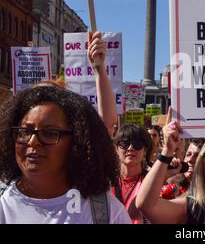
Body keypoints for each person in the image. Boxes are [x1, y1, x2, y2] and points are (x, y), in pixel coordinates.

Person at [0, 85, 131, 223]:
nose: (32, 141)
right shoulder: (3, 202)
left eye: (49, 133)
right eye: (25, 132)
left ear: (77, 143)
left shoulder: (107, 212)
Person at [111, 124, 153, 223]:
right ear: (116, 149)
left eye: (137, 144)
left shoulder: (152, 181)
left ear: (145, 150)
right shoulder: (105, 180)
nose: (130, 148)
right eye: (125, 143)